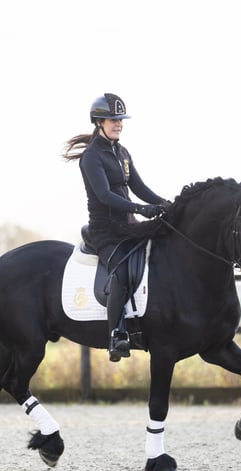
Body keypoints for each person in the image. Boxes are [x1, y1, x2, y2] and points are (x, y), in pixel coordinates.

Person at [63, 93, 168, 362]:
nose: (118, 124)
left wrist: (166, 204)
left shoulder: (122, 152)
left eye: (120, 120)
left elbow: (139, 188)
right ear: (99, 122)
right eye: (113, 119)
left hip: (128, 226)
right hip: (105, 231)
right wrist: (140, 209)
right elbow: (105, 195)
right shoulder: (91, 157)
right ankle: (115, 335)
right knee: (120, 270)